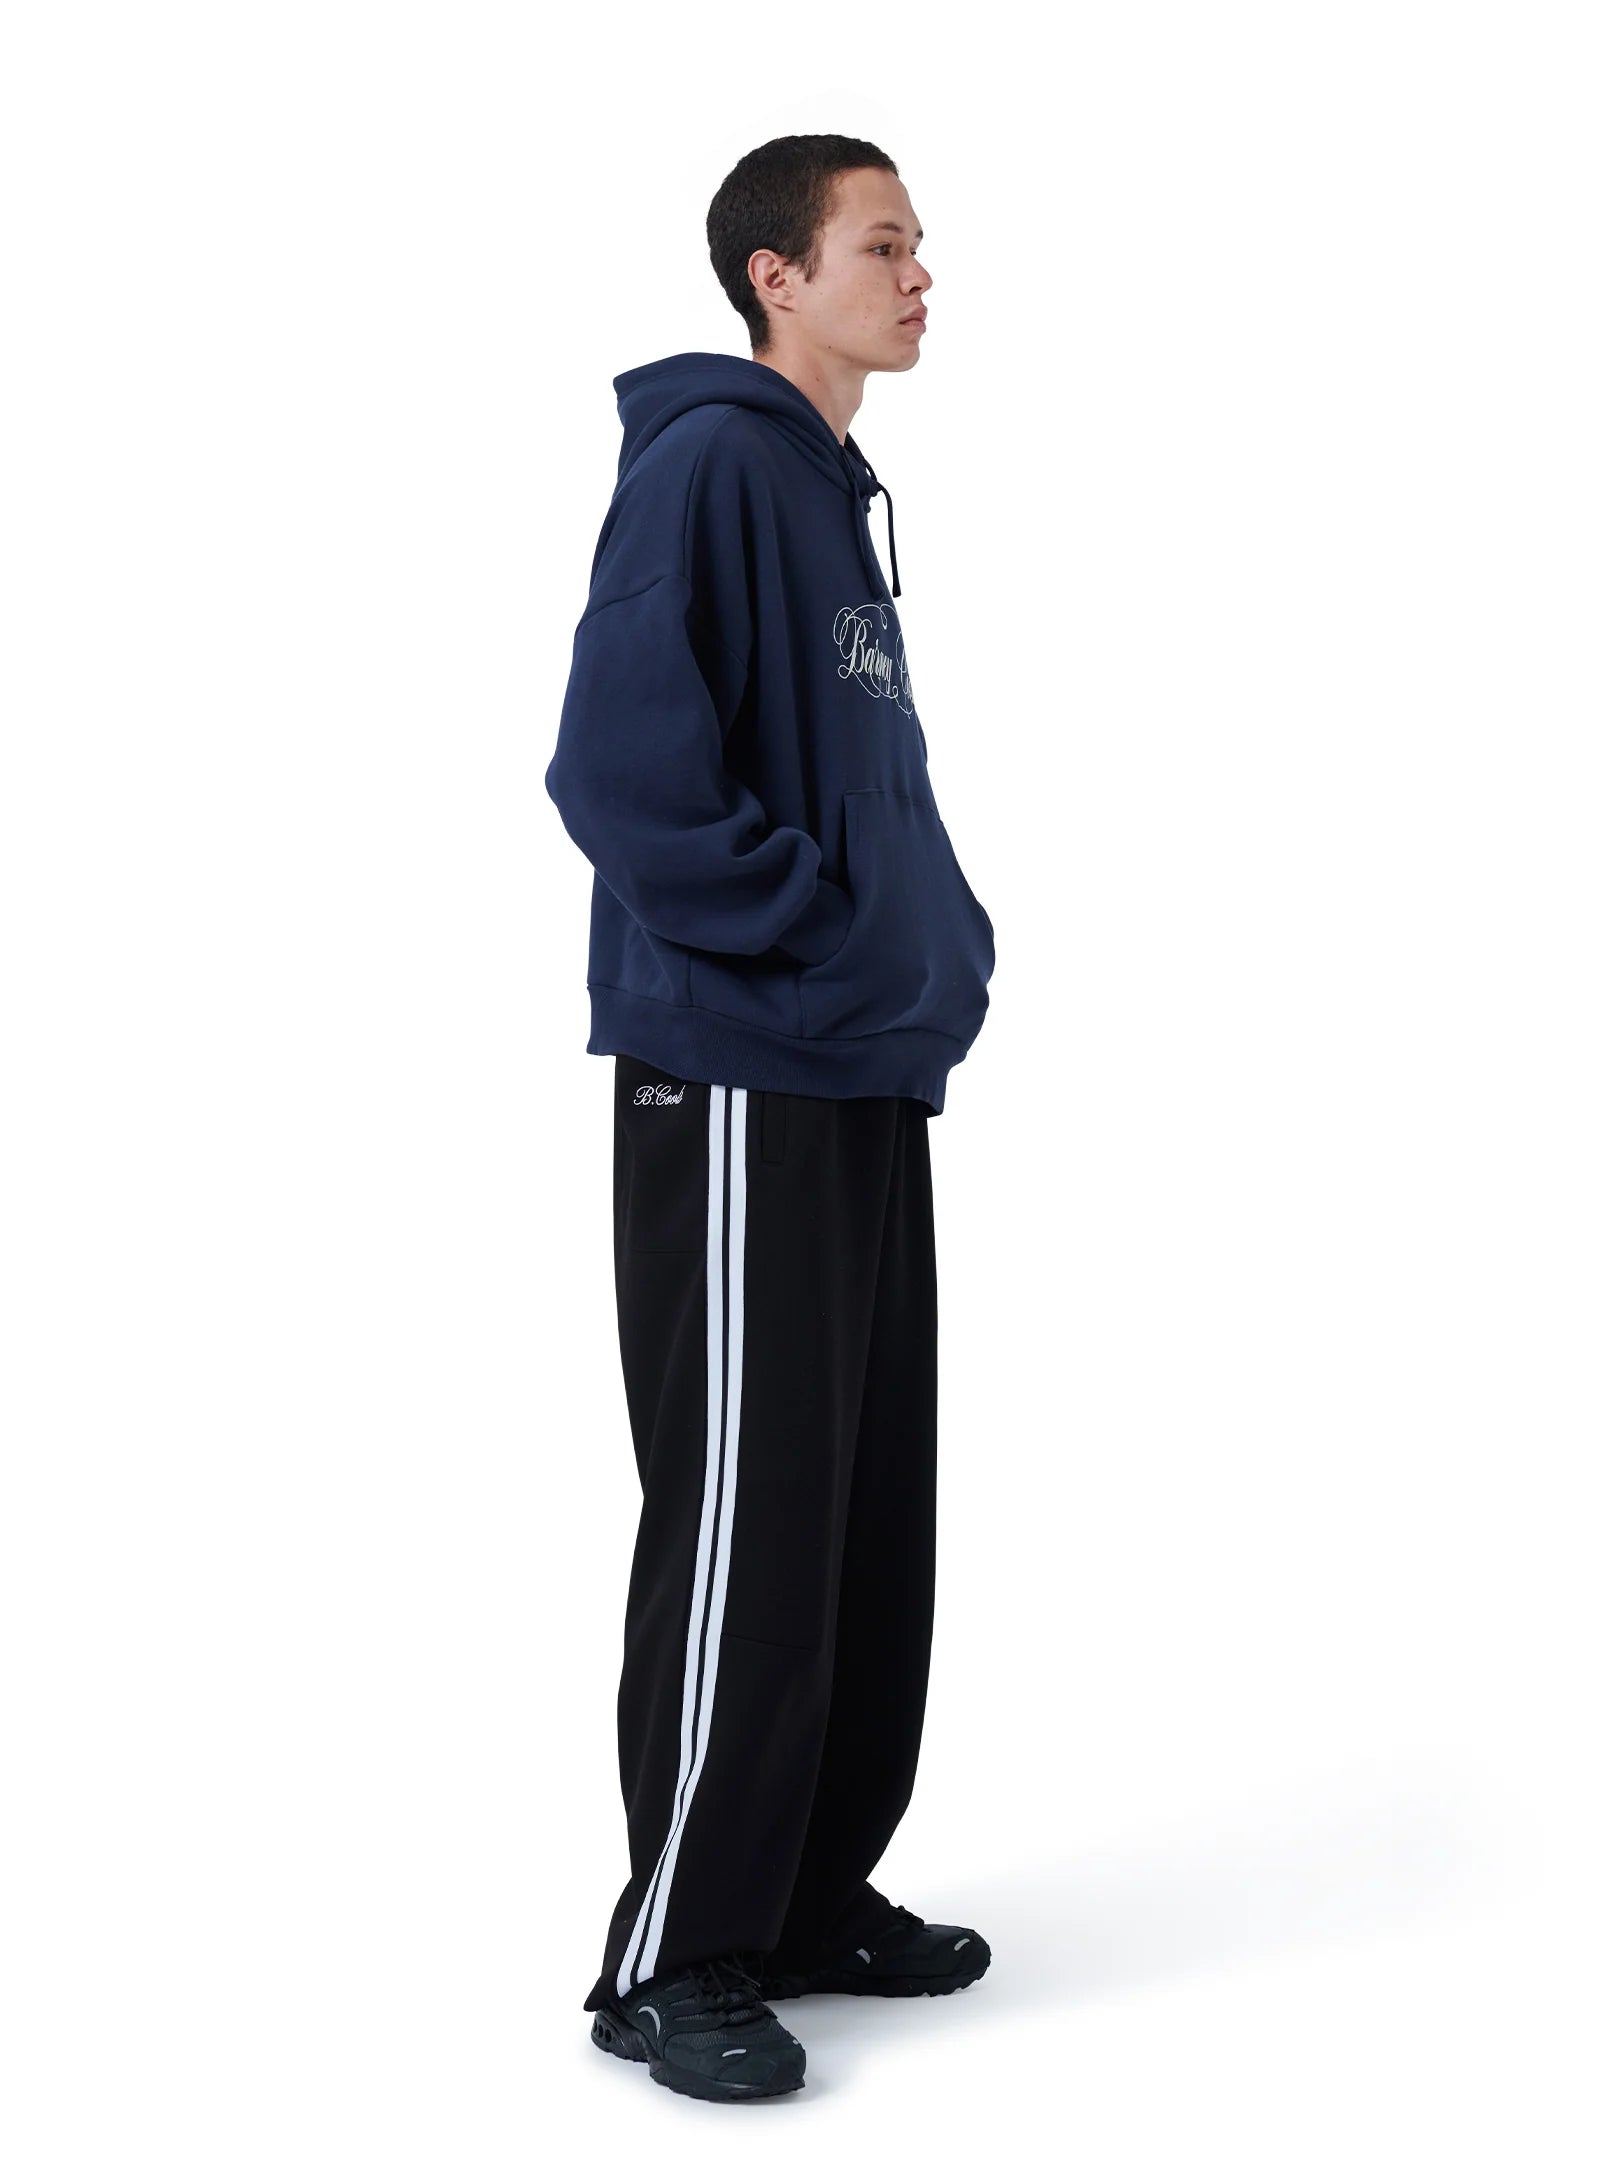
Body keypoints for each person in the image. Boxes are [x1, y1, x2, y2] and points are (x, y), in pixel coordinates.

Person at [544, 132, 997, 2104]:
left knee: (859, 1498)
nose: (919, 274)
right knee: (744, 1504)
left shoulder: (827, 493)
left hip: (855, 1062)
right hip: (738, 1064)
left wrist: (930, 944)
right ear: (772, 276)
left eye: (918, 244)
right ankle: (676, 1951)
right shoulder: (712, 466)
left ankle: (804, 1892)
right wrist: (813, 938)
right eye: (881, 244)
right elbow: (618, 771)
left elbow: (854, 780)